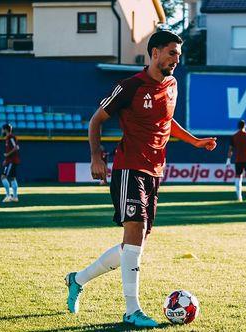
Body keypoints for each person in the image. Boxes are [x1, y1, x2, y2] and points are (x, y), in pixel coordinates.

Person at [64, 30, 217, 328]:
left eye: (179, 55)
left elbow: (166, 121)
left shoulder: (172, 85)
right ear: (155, 52)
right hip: (129, 168)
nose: (176, 59)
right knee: (136, 230)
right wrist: (96, 156)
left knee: (132, 246)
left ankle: (77, 279)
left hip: (154, 172)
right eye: (172, 53)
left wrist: (194, 141)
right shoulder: (130, 86)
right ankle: (132, 310)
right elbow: (96, 120)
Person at [227, 120, 246, 201]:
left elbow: (230, 149)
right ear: (245, 126)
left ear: (238, 126)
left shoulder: (234, 136)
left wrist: (228, 160)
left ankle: (239, 197)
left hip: (238, 159)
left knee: (238, 177)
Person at [1, 124, 20, 202]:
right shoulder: (8, 138)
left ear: (5, 130)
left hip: (11, 161)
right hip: (11, 160)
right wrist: (6, 159)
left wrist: (7, 155)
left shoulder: (10, 137)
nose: (2, 131)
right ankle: (15, 197)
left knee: (3, 177)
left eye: (2, 129)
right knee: (13, 178)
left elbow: (16, 147)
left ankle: (8, 196)